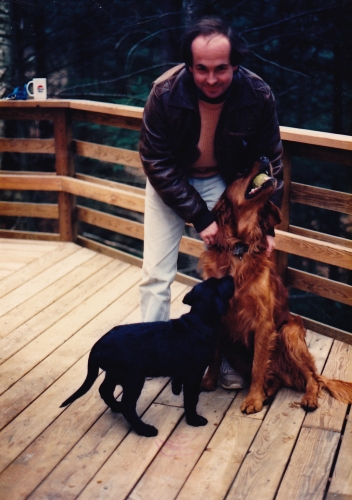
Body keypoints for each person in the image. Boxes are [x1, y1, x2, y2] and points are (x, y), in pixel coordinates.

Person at [138, 17, 283, 389]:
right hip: (168, 182)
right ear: (189, 65)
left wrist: (267, 226)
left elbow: (271, 160)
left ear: (235, 64)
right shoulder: (165, 93)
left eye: (221, 68)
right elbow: (156, 161)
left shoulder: (257, 93)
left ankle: (229, 359)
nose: (212, 79)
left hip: (222, 182)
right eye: (201, 69)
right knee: (156, 274)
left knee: (228, 275)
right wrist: (201, 219)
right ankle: (152, 353)